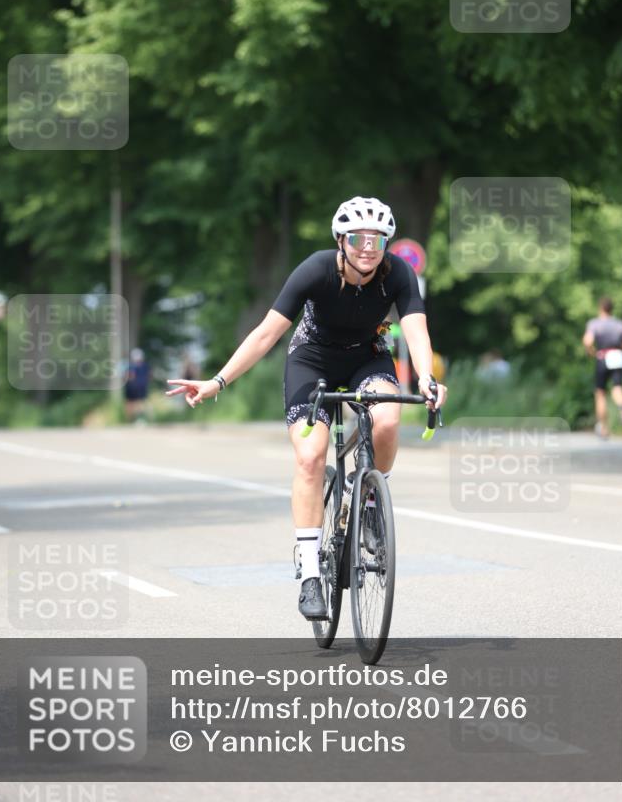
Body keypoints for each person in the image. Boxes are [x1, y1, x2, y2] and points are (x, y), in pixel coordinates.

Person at [166, 196, 447, 619]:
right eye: (357, 239)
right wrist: (217, 381)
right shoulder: (315, 270)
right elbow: (266, 334)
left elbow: (416, 332)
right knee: (311, 456)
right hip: (312, 360)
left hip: (367, 356)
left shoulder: (398, 274)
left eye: (376, 240)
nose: (367, 248)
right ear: (341, 241)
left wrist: (426, 378)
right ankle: (311, 572)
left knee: (388, 418)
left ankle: (369, 501)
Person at [582, 297, 622, 438]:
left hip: (603, 356)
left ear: (600, 308)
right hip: (618, 357)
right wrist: (621, 348)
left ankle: (604, 428)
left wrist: (591, 352)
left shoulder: (595, 323)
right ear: (612, 309)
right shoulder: (619, 324)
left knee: (600, 393)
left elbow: (587, 341)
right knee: (617, 388)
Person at [124, 347, 150, 423]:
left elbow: (129, 376)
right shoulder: (144, 366)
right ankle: (136, 419)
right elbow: (149, 376)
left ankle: (132, 420)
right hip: (138, 387)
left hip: (134, 387)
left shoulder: (131, 366)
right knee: (138, 403)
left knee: (133, 403)